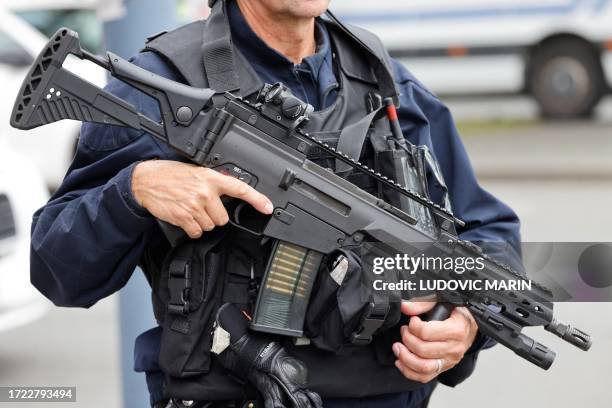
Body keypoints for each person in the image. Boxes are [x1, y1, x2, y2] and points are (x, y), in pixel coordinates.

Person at [29, 0, 522, 407]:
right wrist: (135, 189)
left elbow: (490, 236)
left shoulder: (385, 84)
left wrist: (466, 327)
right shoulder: (166, 80)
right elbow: (55, 266)